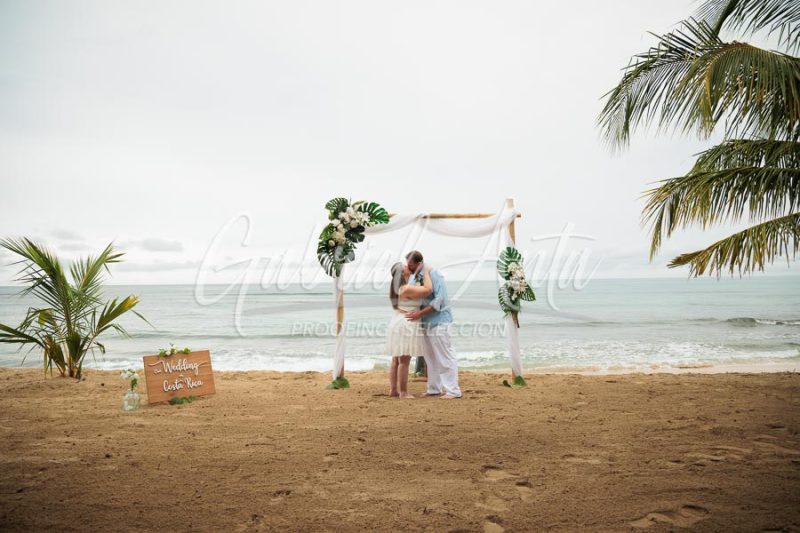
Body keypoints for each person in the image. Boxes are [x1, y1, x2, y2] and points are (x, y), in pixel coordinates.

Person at [404, 251, 462, 399]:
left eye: (410, 265)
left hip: (439, 321)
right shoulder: (414, 277)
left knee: (445, 355)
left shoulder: (434, 274)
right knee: (430, 358)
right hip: (425, 323)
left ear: (419, 263)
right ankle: (434, 388)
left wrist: (419, 313)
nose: (408, 267)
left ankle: (453, 390)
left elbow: (439, 300)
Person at [385, 261, 432, 398]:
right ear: (402, 273)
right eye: (405, 266)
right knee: (404, 361)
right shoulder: (406, 288)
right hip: (406, 324)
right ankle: (403, 392)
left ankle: (393, 390)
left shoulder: (399, 288)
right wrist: (427, 271)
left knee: (396, 360)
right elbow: (428, 290)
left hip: (398, 321)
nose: (407, 266)